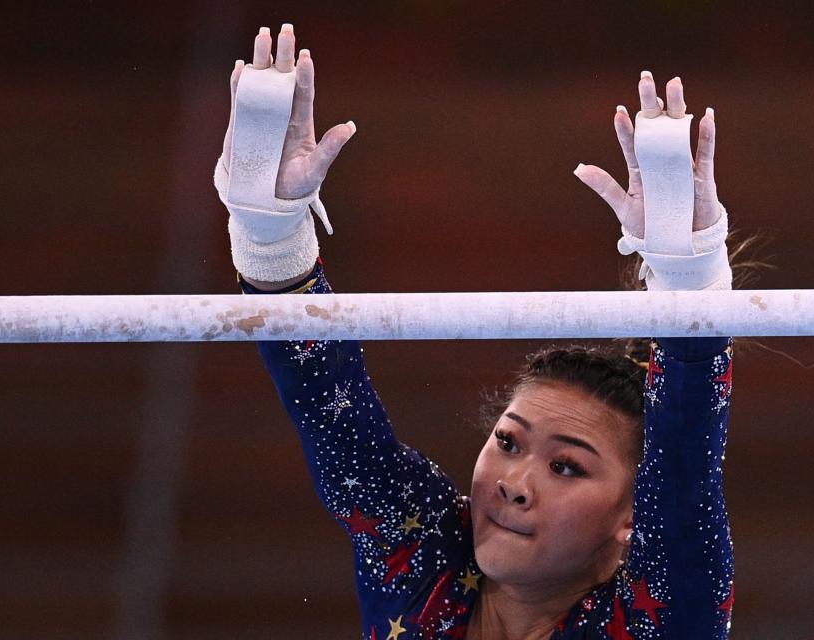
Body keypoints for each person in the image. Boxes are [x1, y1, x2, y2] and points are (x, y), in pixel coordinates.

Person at [215, 23, 735, 640]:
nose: (514, 485)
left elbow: (682, 479)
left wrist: (690, 292)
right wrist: (270, 239)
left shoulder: (658, 620)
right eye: (509, 443)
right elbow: (333, 417)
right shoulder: (424, 559)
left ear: (632, 518)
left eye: (566, 467)